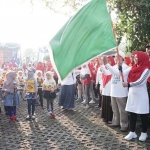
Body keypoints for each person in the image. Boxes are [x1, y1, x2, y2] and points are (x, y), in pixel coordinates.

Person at [122, 51, 150, 141]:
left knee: (143, 115)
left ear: (142, 58)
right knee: (132, 113)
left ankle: (144, 133)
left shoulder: (146, 70)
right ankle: (132, 132)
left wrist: (128, 84)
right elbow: (122, 73)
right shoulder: (132, 68)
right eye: (134, 57)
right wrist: (119, 66)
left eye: (137, 57)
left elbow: (141, 82)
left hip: (141, 95)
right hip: (132, 95)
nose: (135, 59)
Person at [102, 51, 129, 131]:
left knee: (122, 110)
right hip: (113, 91)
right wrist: (102, 64)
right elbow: (107, 73)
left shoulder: (125, 67)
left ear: (121, 57)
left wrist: (107, 64)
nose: (115, 58)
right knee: (115, 109)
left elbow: (117, 73)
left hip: (121, 92)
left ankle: (124, 125)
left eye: (117, 56)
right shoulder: (114, 66)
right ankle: (116, 122)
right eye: (115, 57)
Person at [100, 56, 115, 124]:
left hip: (110, 89)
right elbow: (102, 79)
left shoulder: (113, 69)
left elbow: (107, 73)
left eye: (109, 60)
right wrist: (102, 64)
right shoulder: (105, 69)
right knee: (104, 103)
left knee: (109, 104)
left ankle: (110, 118)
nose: (108, 62)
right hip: (105, 88)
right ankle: (105, 117)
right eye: (107, 60)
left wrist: (104, 65)